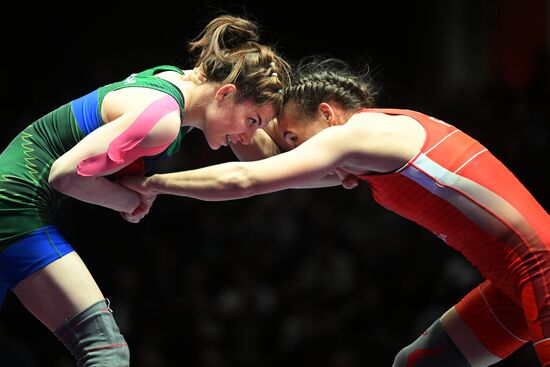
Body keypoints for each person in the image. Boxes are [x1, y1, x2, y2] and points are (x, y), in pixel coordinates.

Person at [121, 57, 550, 366]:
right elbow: (264, 167)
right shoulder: (366, 152)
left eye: (292, 136)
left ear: (326, 113)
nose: (293, 148)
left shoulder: (359, 134)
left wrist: (154, 184)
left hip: (542, 267)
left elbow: (245, 180)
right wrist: (236, 118)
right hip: (510, 284)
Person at [0, 14, 291, 366]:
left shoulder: (175, 82)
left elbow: (262, 163)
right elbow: (64, 174)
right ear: (226, 92)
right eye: (251, 121)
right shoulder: (163, 120)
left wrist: (326, 157)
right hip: (14, 206)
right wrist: (130, 200)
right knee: (106, 351)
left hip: (12, 201)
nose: (246, 136)